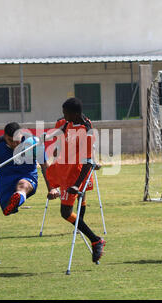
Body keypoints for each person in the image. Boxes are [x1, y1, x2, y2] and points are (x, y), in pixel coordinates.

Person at [45, 98, 106, 263]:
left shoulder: (86, 132)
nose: (64, 116)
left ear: (75, 113)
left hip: (74, 173)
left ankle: (95, 239)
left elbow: (88, 162)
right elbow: (62, 132)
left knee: (66, 212)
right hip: (64, 168)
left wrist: (76, 184)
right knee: (66, 210)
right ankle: (89, 233)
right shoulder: (69, 122)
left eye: (66, 113)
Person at [0, 122, 50, 216]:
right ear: (5, 136)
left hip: (27, 176)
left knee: (22, 185)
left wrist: (51, 189)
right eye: (10, 140)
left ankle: (19, 195)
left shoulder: (33, 143)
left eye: (17, 140)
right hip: (5, 180)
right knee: (7, 209)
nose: (14, 144)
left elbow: (44, 165)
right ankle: (15, 200)